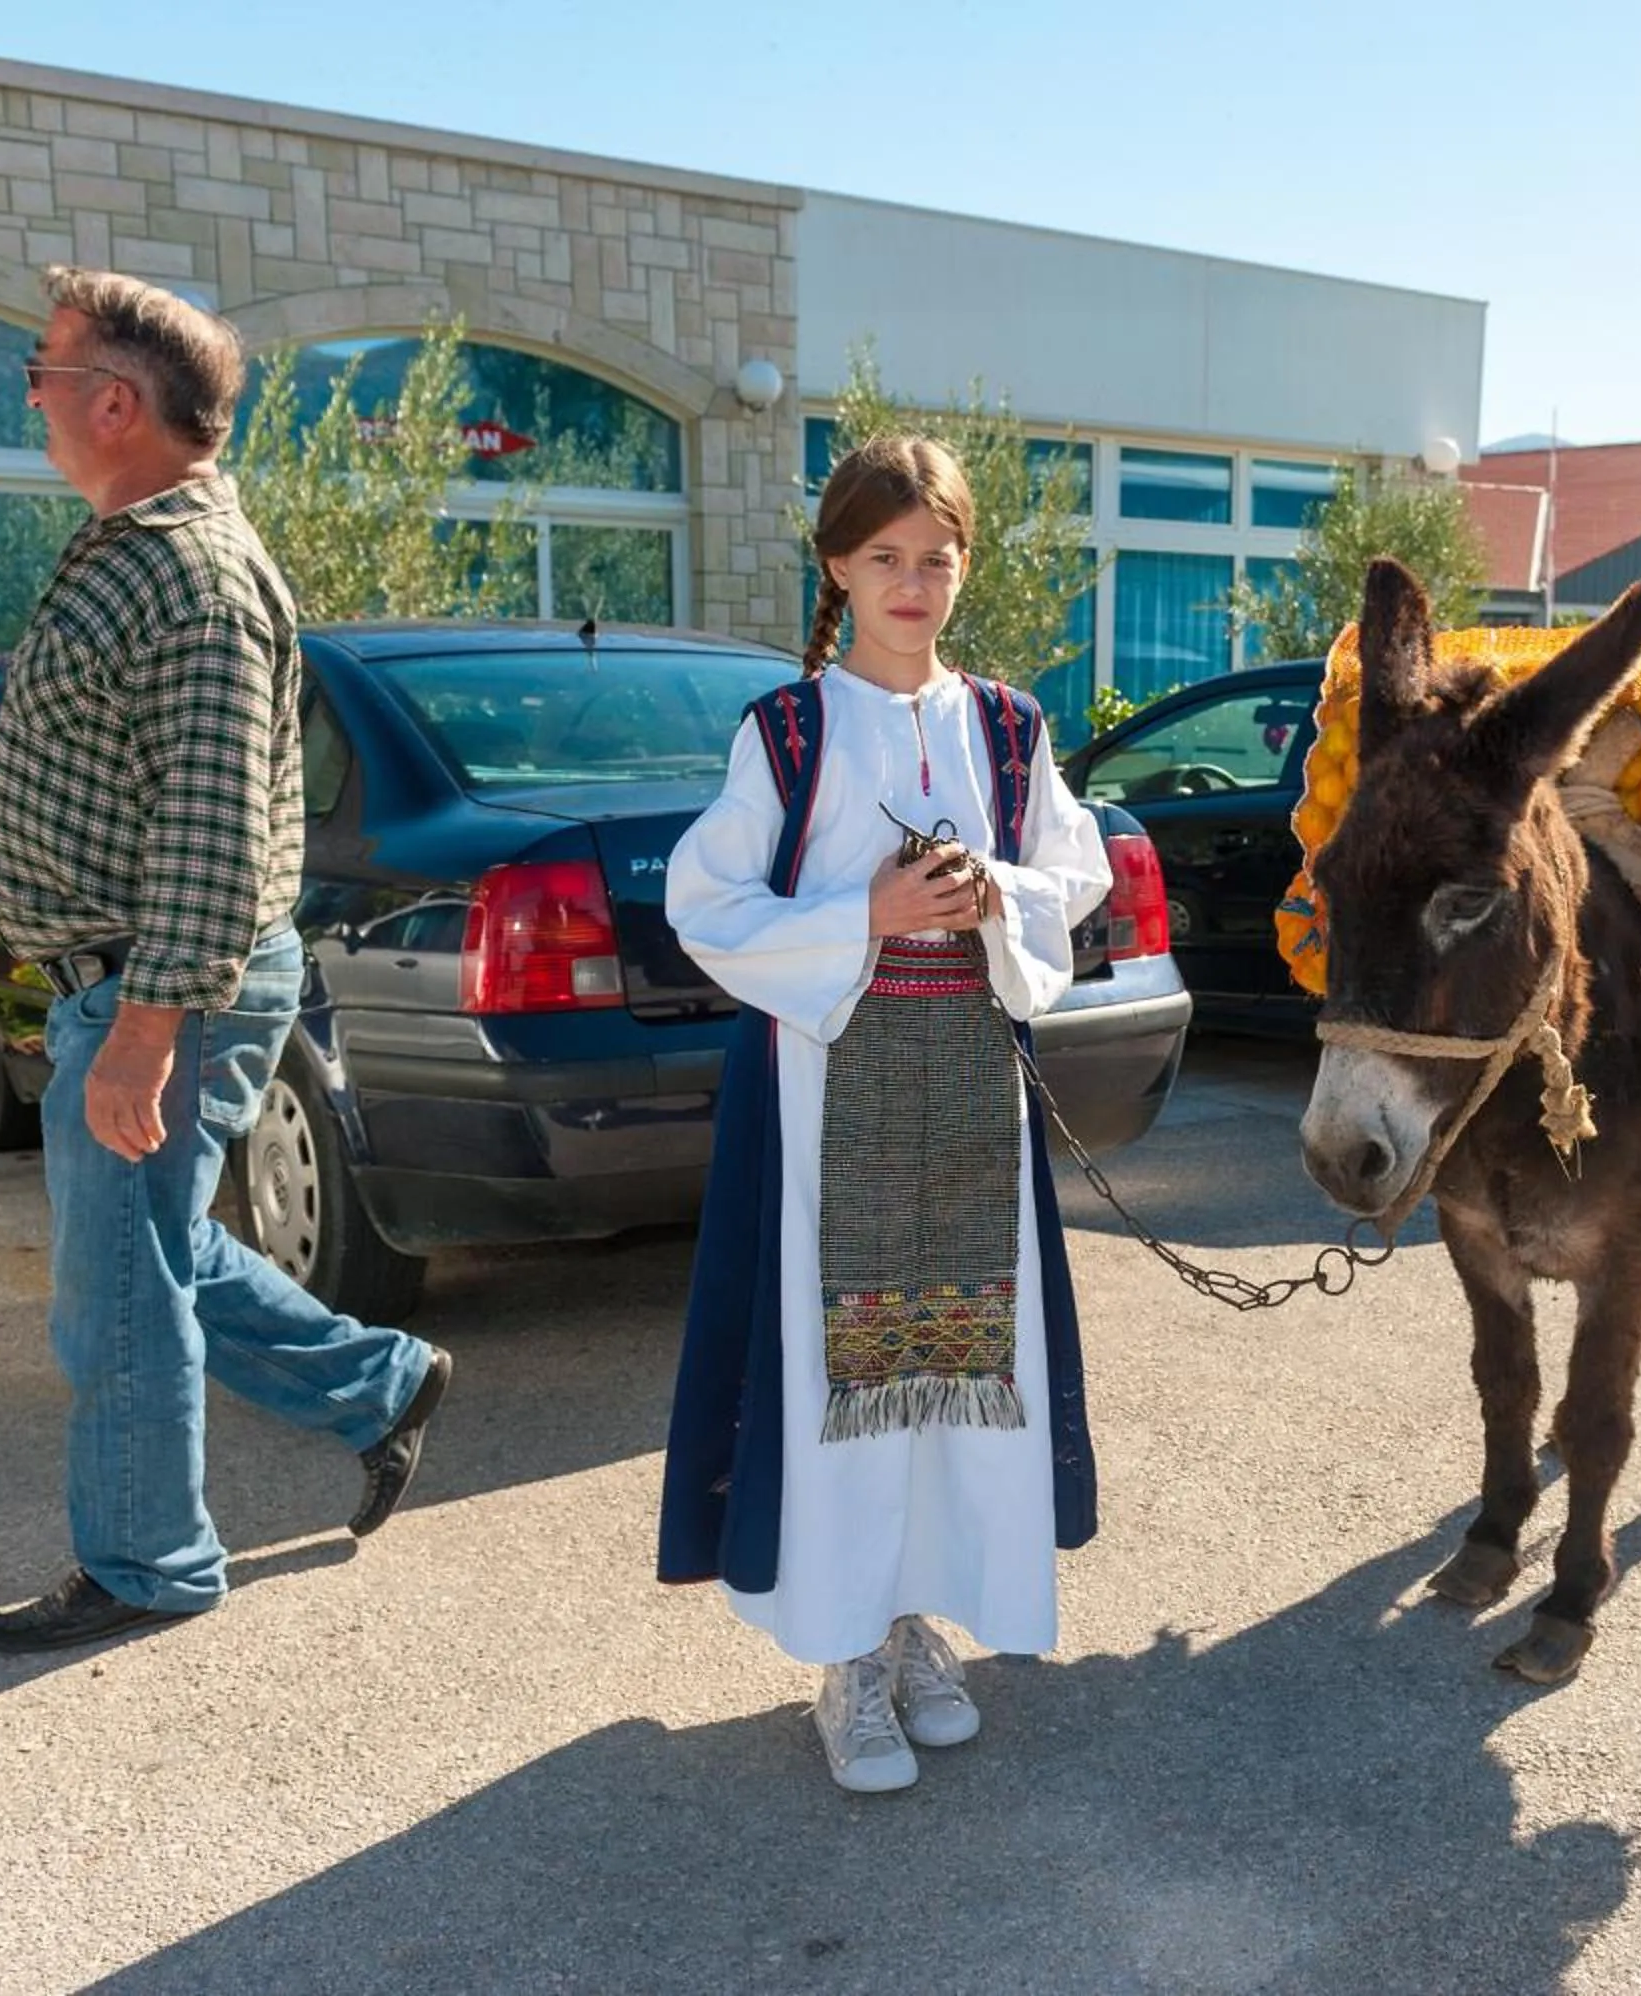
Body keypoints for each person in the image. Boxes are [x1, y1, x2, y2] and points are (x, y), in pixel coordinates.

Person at [0, 266, 452, 1655]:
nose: (35, 402)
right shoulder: (138, 541)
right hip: (124, 980)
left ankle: (150, 1562)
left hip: (157, 986)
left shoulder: (188, 574)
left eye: (45, 377)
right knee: (147, 1258)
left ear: (114, 403)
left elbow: (212, 831)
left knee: (116, 1293)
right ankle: (377, 1385)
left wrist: (145, 1032)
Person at [657, 435, 1112, 1794]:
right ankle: (843, 1656)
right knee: (842, 1373)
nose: (913, 583)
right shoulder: (788, 733)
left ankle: (914, 1627)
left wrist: (996, 895)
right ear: (838, 569)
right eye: (885, 559)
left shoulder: (1010, 729)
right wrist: (868, 911)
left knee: (959, 1379)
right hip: (827, 1097)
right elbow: (706, 902)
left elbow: (1070, 872)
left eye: (937, 558)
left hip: (971, 1092)